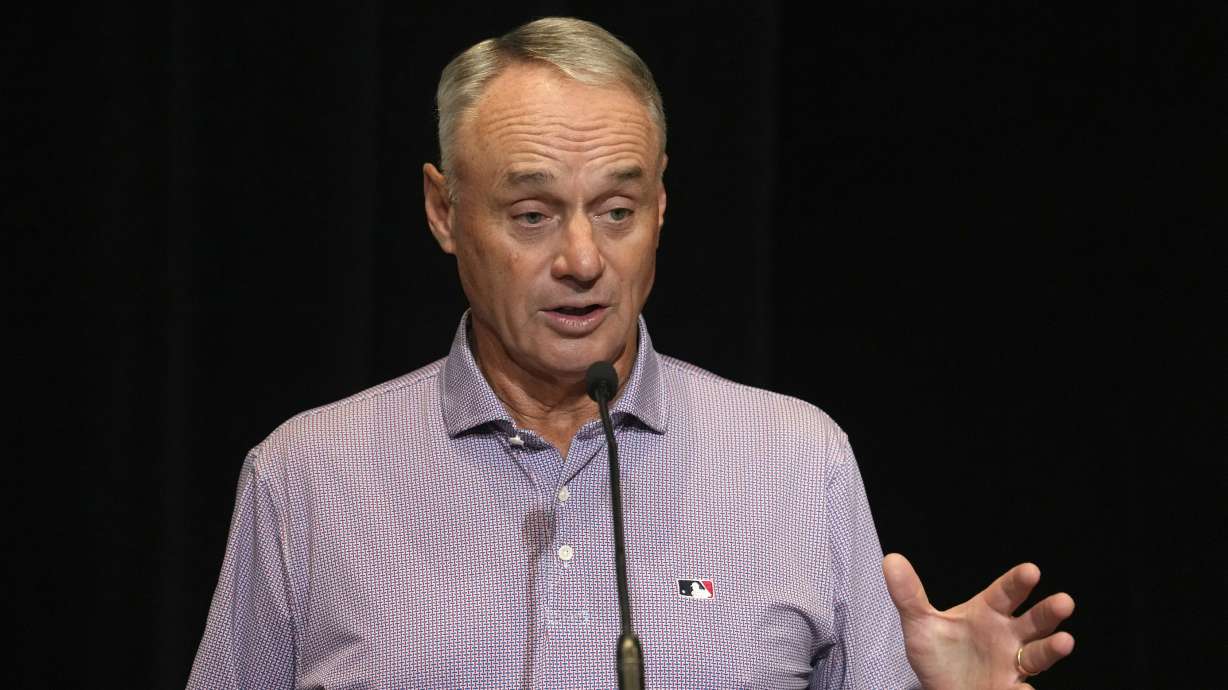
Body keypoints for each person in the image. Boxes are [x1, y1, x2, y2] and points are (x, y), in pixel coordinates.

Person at [187, 17, 1074, 689]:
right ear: (444, 211)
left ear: (660, 211)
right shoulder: (305, 479)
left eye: (617, 210)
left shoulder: (798, 461)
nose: (581, 260)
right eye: (532, 214)